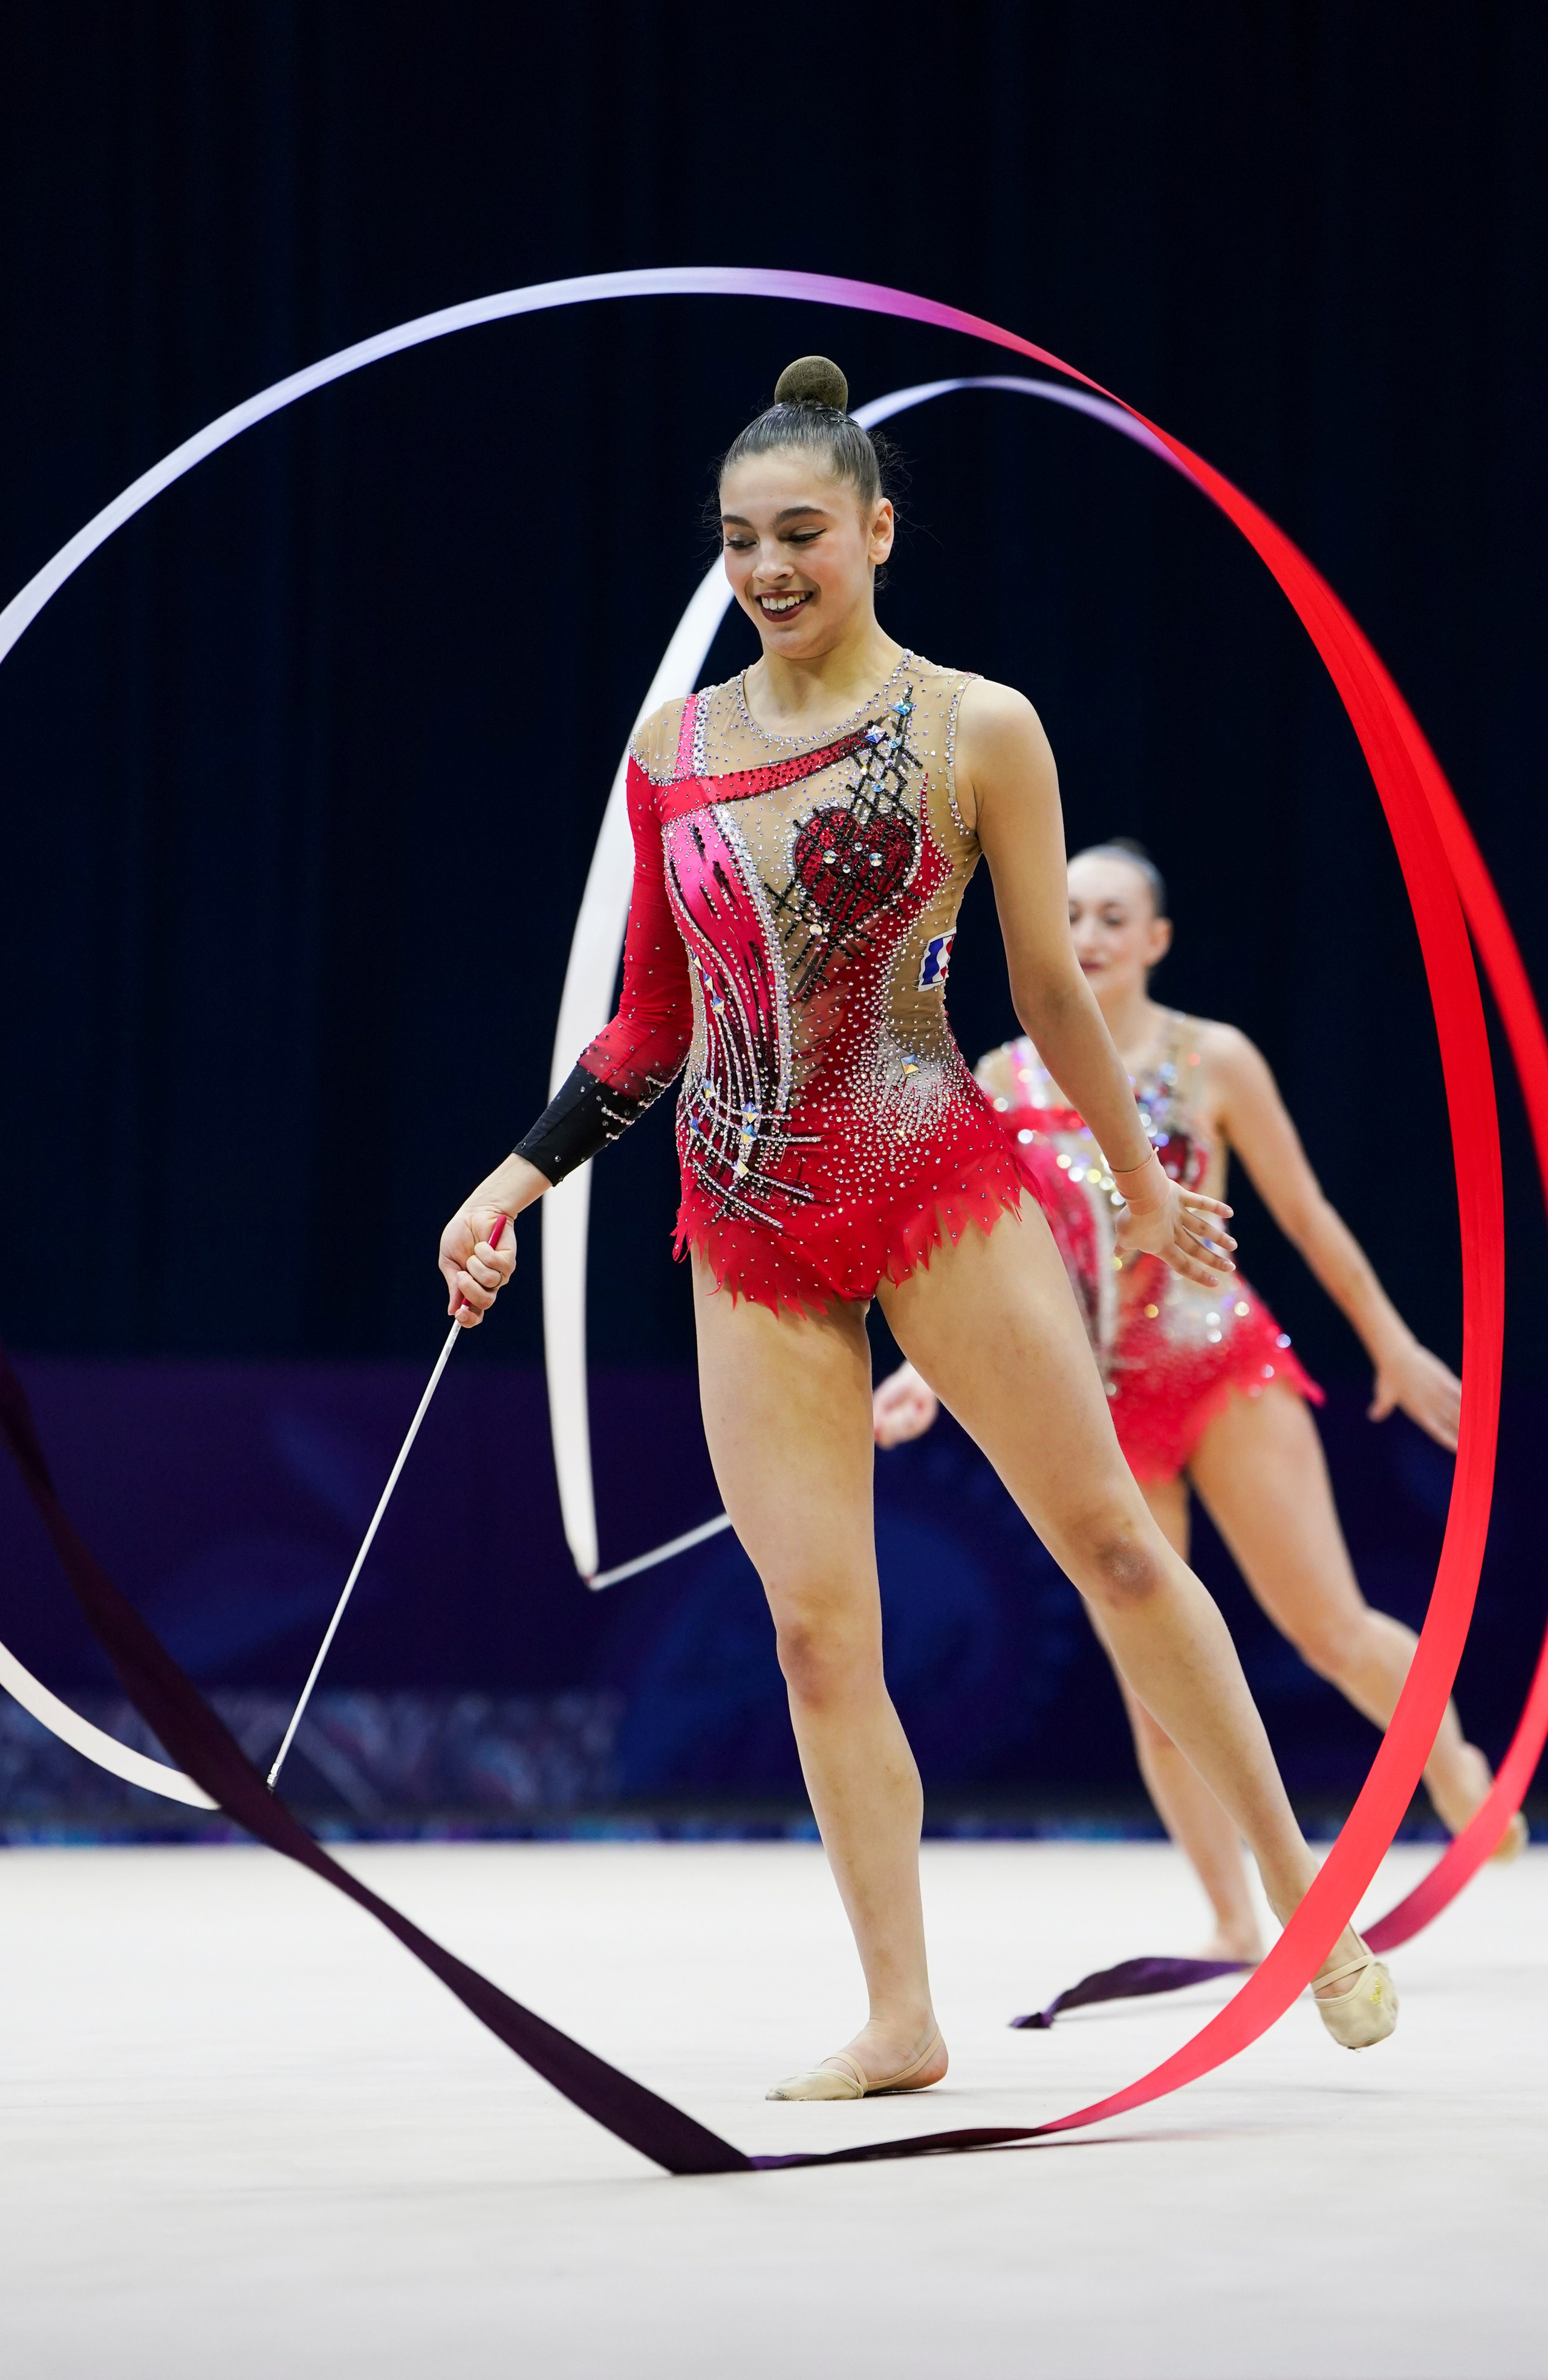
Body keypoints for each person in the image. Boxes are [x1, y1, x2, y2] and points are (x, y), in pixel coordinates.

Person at [439, 357, 1396, 2099]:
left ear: (877, 529)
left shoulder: (978, 727)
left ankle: (1306, 1891)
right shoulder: (677, 746)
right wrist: (515, 1179)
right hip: (739, 1221)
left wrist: (1147, 1186)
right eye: (740, 544)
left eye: (802, 533)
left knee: (1110, 1542)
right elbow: (652, 1022)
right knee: (815, 1629)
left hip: (934, 1176)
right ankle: (903, 2017)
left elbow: (1047, 985)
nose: (770, 570)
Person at [875, 838, 1525, 1962]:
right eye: (1069, 911)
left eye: (1114, 918)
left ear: (1158, 940)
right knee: (1159, 1688)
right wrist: (922, 1370)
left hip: (1222, 1367)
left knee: (1327, 1628)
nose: (1087, 936)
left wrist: (1395, 1344)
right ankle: (1231, 1916)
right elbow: (984, 1251)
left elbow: (1309, 1213)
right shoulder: (1002, 1078)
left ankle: (1448, 1757)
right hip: (1097, 1407)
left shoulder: (1213, 1058)